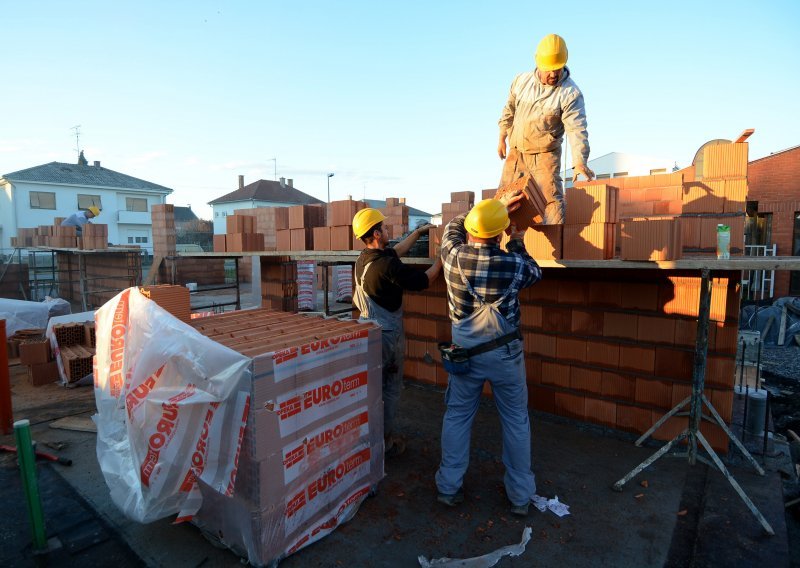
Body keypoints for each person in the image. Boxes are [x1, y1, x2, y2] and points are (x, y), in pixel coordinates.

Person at [435, 193, 542, 517]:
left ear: (471, 230)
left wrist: (488, 206)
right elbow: (536, 273)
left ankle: (448, 488)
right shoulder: (514, 263)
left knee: (457, 416)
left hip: (465, 355)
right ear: (500, 233)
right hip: (505, 356)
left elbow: (450, 232)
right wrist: (518, 240)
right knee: (515, 421)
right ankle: (520, 498)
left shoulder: (454, 257)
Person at [352, 209, 442, 457]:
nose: (388, 230)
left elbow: (397, 250)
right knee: (390, 389)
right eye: (385, 227)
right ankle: (384, 440)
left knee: (372, 388)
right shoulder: (387, 266)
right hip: (387, 335)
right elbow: (423, 281)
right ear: (377, 233)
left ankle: (369, 438)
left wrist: (418, 233)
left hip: (366, 330)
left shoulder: (365, 258)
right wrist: (442, 260)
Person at [497, 33, 595, 224]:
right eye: (549, 69)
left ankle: (553, 249)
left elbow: (577, 129)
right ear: (538, 64)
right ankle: (501, 247)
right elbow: (509, 109)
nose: (553, 74)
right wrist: (502, 135)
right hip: (517, 153)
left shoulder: (570, 93)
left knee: (550, 200)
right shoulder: (521, 82)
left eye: (557, 69)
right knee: (504, 199)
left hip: (545, 156)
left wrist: (580, 160)